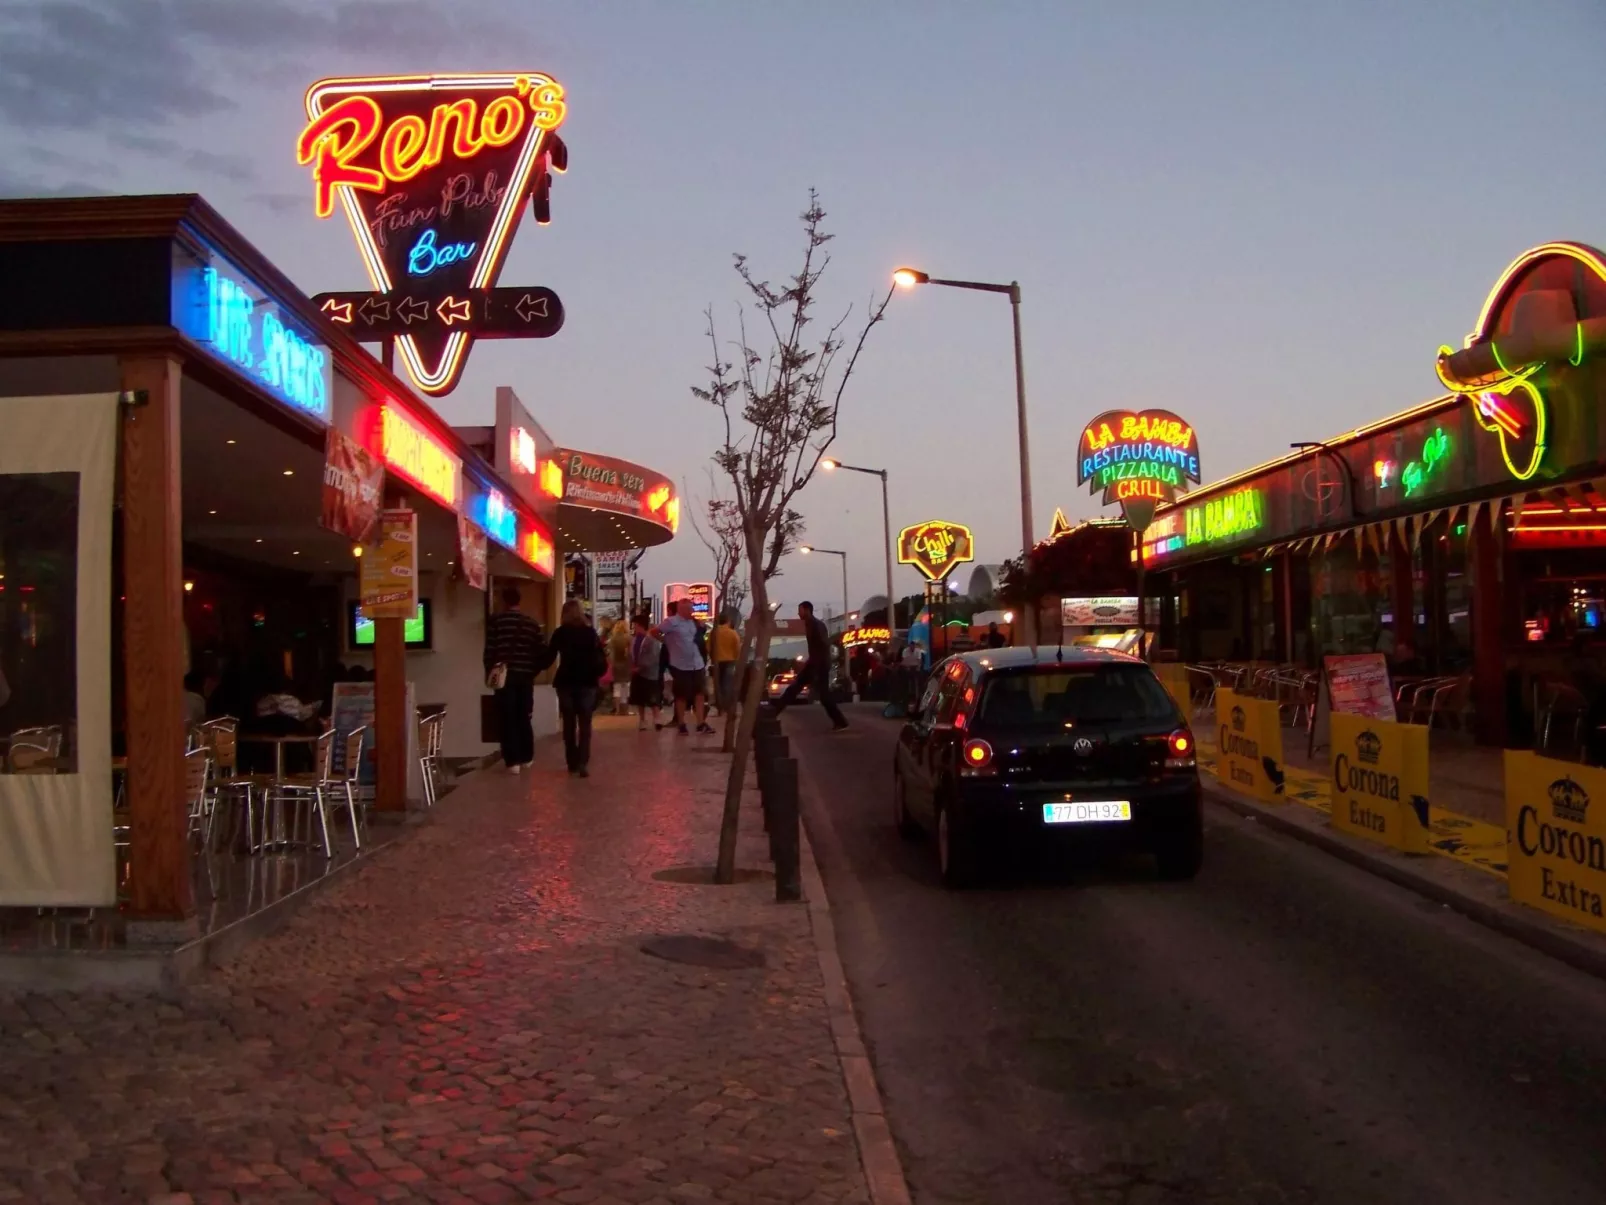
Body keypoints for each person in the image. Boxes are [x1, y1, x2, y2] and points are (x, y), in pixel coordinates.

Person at [535, 599, 607, 776]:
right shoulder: (590, 633)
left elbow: (548, 658)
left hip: (566, 681)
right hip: (587, 681)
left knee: (568, 723)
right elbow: (600, 658)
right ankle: (583, 761)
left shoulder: (560, 633)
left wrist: (533, 664)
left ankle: (572, 761)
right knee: (585, 723)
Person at [483, 584, 546, 775]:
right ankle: (527, 756)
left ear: (503, 601)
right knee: (524, 716)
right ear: (520, 600)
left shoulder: (496, 622)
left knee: (507, 718)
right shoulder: (532, 624)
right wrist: (531, 671)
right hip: (525, 677)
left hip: (505, 678)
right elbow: (541, 653)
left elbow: (489, 651)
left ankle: (512, 761)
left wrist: (490, 672)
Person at [768, 601, 849, 730]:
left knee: (800, 690)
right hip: (816, 663)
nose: (798, 613)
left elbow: (823, 644)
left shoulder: (817, 625)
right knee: (814, 693)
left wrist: (816, 665)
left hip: (818, 664)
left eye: (800, 610)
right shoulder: (810, 624)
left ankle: (772, 714)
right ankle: (841, 721)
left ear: (807, 610)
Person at [653, 598, 713, 735]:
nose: (692, 611)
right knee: (681, 695)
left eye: (692, 608)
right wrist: (667, 642)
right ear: (682, 609)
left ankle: (700, 723)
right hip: (680, 664)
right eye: (689, 609)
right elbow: (655, 632)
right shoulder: (671, 622)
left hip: (696, 663)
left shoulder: (694, 622)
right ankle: (681, 723)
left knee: (699, 693)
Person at [628, 613, 663, 730]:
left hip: (649, 673)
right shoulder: (634, 640)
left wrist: (641, 667)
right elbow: (632, 654)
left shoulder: (651, 640)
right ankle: (642, 720)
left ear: (640, 625)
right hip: (637, 673)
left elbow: (653, 657)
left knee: (653, 697)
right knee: (639, 698)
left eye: (635, 625)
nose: (634, 627)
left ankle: (657, 719)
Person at [711, 614, 741, 715]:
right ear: (728, 621)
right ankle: (727, 707)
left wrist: (713, 656)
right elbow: (737, 648)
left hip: (717, 662)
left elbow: (708, 647)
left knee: (718, 685)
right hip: (730, 661)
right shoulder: (732, 633)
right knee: (727, 684)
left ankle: (720, 707)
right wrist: (736, 658)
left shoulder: (713, 632)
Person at [608, 615, 633, 715]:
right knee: (625, 688)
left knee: (616, 687)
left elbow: (610, 654)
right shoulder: (629, 638)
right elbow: (631, 653)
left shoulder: (612, 639)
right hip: (626, 665)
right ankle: (625, 710)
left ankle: (616, 709)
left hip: (616, 665)